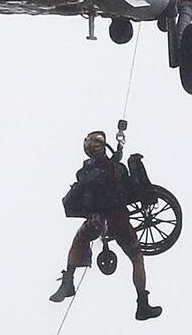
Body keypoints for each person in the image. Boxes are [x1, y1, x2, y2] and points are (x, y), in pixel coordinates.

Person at [48, 130, 162, 321]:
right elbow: (130, 188)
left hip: (96, 221)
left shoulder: (83, 173)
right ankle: (142, 304)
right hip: (118, 220)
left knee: (79, 238)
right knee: (136, 258)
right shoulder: (116, 168)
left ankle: (68, 281)